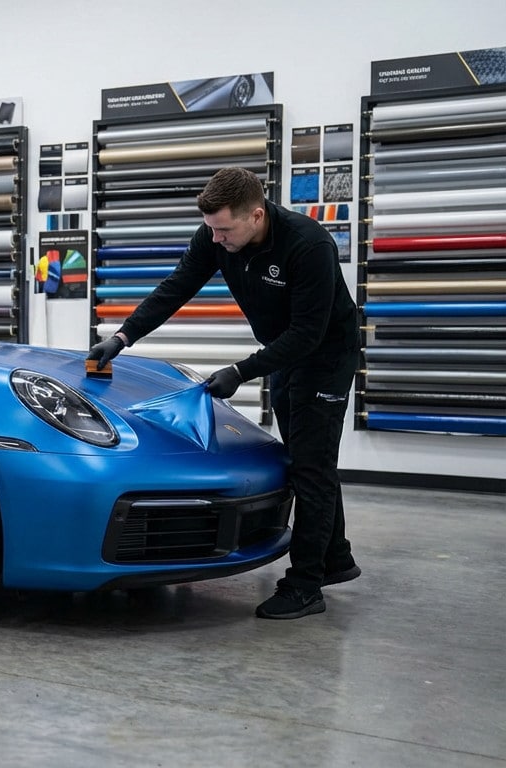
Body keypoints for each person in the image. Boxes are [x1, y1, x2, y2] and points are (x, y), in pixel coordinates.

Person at [87, 166, 361, 620]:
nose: (216, 240)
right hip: (285, 353)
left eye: (224, 229)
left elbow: (309, 334)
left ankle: (306, 586)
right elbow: (176, 287)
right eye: (210, 229)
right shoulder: (216, 235)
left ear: (255, 216)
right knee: (304, 458)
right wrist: (121, 338)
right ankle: (335, 557)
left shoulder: (308, 245)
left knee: (311, 466)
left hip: (326, 356)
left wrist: (240, 371)